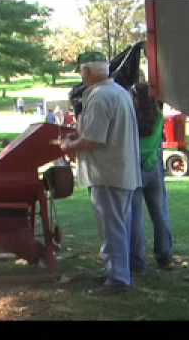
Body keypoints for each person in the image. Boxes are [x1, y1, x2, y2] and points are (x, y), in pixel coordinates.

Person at [60, 60, 143, 294]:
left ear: (87, 72)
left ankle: (118, 279)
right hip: (120, 170)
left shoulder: (99, 97)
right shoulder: (119, 91)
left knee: (111, 228)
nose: (81, 76)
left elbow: (94, 139)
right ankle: (118, 271)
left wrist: (68, 145)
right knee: (120, 225)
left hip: (107, 172)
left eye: (82, 72)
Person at [130, 83, 174, 270]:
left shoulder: (130, 119)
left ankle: (138, 260)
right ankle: (164, 254)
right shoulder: (159, 117)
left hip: (133, 169)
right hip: (153, 168)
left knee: (136, 217)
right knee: (160, 213)